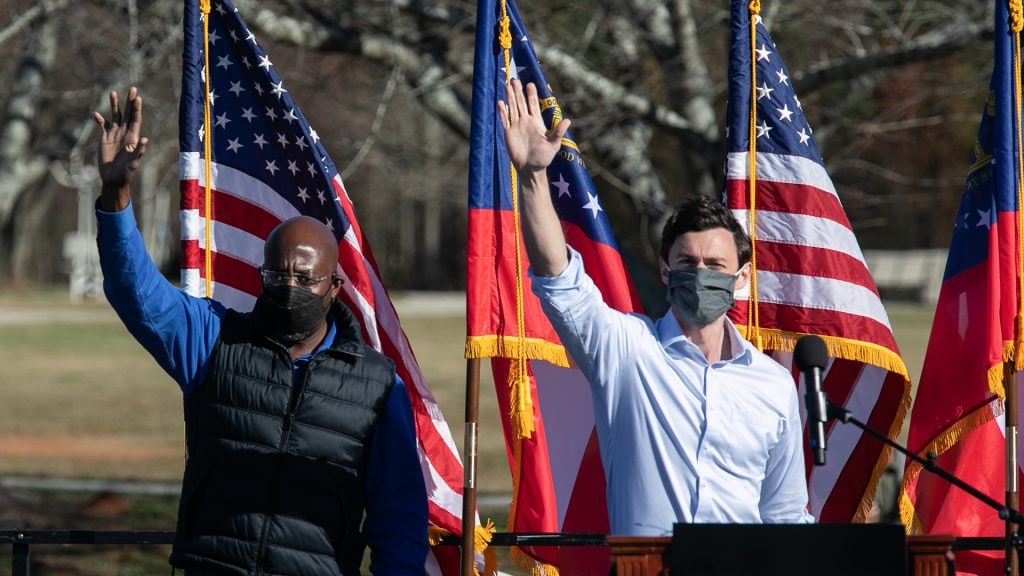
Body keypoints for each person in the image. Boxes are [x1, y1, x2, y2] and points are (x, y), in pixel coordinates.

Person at [92, 87, 428, 575]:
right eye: (277, 275)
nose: (288, 286)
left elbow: (398, 519)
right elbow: (136, 294)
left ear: (334, 286)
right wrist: (115, 196)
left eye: (304, 278)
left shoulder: (378, 387)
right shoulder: (214, 342)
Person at [499, 79, 814, 535]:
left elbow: (784, 516)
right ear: (665, 270)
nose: (701, 273)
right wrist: (532, 176)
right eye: (687, 262)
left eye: (715, 264)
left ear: (741, 277)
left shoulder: (773, 384)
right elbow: (559, 279)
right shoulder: (626, 350)